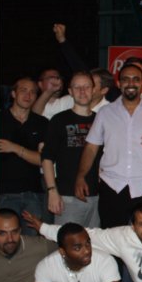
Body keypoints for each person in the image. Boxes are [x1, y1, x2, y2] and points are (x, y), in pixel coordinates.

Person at [76, 62, 142, 228]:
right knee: (112, 238)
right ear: (118, 83)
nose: (131, 83)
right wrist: (81, 176)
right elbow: (91, 147)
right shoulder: (105, 112)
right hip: (112, 187)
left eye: (136, 79)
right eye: (126, 79)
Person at [0, 76, 49, 234]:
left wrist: (15, 148)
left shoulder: (42, 123)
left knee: (31, 242)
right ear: (13, 94)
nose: (28, 95)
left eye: (32, 92)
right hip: (2, 194)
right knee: (4, 241)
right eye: (23, 90)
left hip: (33, 194)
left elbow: (43, 160)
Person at [41, 71, 101, 227]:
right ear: (70, 91)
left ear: (94, 90)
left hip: (97, 196)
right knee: (68, 241)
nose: (82, 91)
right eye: (77, 87)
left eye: (86, 87)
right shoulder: (59, 120)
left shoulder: (101, 119)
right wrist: (52, 191)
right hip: (67, 196)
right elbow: (47, 158)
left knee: (94, 242)